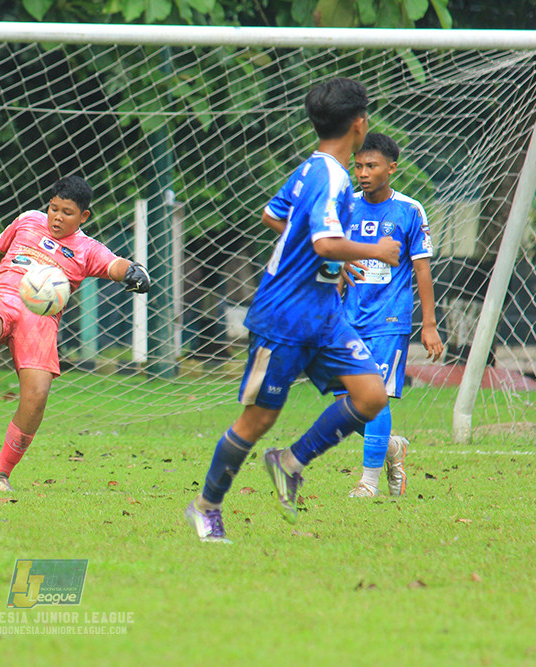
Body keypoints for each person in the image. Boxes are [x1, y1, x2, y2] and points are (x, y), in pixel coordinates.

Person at [184, 77, 401, 543]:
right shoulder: (330, 176)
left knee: (370, 396)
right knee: (257, 420)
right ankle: (206, 507)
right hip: (284, 316)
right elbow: (323, 239)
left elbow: (274, 215)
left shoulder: (311, 168)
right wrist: (373, 251)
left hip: (323, 313)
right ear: (360, 124)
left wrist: (323, 260)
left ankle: (290, 462)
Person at [0, 175, 151, 492]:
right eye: (53, 208)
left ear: (83, 216)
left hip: (41, 318)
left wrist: (133, 272)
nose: (56, 217)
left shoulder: (87, 249)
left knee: (37, 395)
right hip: (2, 291)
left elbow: (113, 265)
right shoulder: (28, 220)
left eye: (66, 212)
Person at [340, 132, 444, 498]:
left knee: (376, 397)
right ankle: (392, 447)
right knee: (345, 402)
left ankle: (368, 482)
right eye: (358, 165)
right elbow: (325, 251)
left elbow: (422, 270)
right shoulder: (345, 206)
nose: (363, 173)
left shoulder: (409, 211)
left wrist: (428, 325)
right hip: (347, 317)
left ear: (391, 168)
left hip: (389, 319)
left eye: (371, 166)